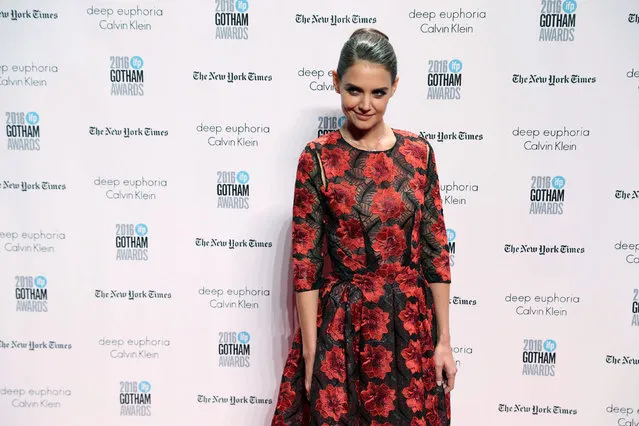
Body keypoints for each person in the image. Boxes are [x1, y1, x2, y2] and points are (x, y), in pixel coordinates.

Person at [272, 28, 456, 425]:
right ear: (335, 81)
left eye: (379, 93)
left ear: (394, 88)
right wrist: (310, 353)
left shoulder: (419, 153)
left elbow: (435, 253)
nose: (365, 105)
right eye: (354, 90)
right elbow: (305, 267)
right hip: (345, 327)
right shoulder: (317, 157)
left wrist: (444, 341)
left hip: (410, 324)